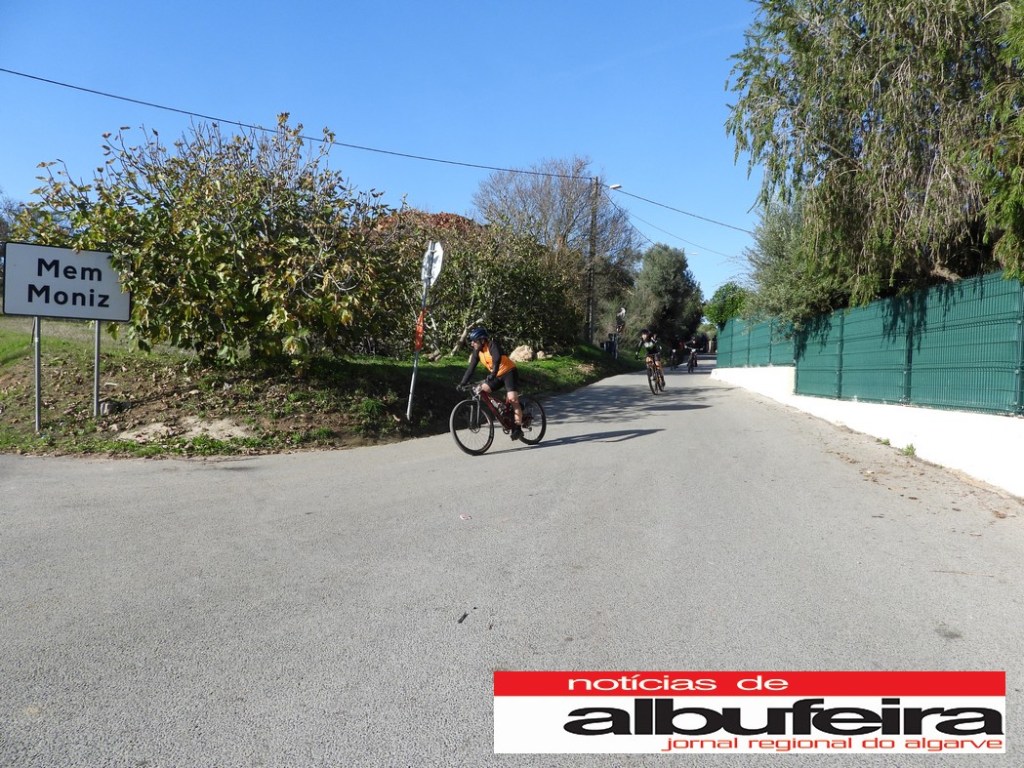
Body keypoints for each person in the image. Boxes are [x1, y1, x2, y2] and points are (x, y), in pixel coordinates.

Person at [459, 327, 524, 440]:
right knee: (480, 390)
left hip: (509, 372)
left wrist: (493, 374)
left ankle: (518, 428)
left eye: (474, 341)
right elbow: (471, 369)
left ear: (482, 340)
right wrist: (462, 383)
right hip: (496, 376)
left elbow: (497, 360)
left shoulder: (492, 345)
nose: (472, 344)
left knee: (513, 399)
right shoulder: (477, 352)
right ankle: (502, 407)